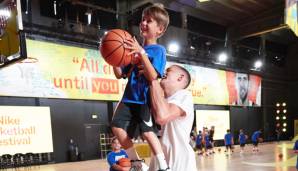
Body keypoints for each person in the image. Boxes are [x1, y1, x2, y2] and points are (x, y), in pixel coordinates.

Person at [111, 3, 170, 171]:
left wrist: (141, 53)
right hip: (129, 97)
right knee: (116, 125)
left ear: (160, 29)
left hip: (144, 98)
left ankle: (164, 166)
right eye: (143, 19)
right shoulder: (132, 50)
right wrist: (112, 57)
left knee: (147, 132)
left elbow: (153, 76)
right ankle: (136, 161)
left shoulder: (158, 50)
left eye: (149, 21)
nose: (143, 23)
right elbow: (119, 73)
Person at [147, 65, 197, 171]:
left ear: (180, 77)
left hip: (179, 159)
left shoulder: (184, 95)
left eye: (168, 71)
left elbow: (162, 117)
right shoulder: (159, 99)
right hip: (158, 158)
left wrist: (153, 79)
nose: (164, 72)